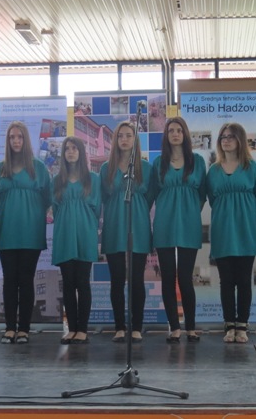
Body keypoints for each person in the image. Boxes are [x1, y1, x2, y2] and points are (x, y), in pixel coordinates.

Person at [0, 121, 51, 345]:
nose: (16, 141)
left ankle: (24, 329)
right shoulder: (0, 169)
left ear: (26, 140)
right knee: (9, 281)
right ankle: (10, 328)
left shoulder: (39, 168)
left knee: (26, 280)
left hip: (31, 232)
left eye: (20, 137)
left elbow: (47, 197)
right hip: (7, 231)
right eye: (12, 137)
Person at [150, 117, 206, 343]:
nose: (175, 134)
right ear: (166, 135)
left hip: (189, 224)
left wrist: (189, 211)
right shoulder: (158, 163)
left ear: (185, 134)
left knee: (185, 277)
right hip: (164, 223)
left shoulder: (197, 161)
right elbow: (153, 193)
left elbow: (202, 194)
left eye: (179, 130)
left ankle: (190, 327)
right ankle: (174, 327)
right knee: (167, 278)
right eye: (171, 130)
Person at [206, 123, 256, 344]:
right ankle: (229, 325)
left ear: (240, 140)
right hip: (222, 229)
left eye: (231, 136)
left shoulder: (252, 167)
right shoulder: (213, 170)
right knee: (226, 281)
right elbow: (212, 199)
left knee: (244, 280)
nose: (226, 140)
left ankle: (242, 325)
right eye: (223, 137)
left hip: (246, 229)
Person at [100, 121, 154, 343]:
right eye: (120, 135)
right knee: (116, 280)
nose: (124, 139)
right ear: (115, 140)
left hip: (138, 224)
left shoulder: (146, 168)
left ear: (135, 139)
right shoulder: (106, 168)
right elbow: (104, 197)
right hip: (114, 224)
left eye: (128, 135)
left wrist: (137, 210)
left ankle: (137, 327)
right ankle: (119, 327)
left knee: (136, 280)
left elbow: (150, 197)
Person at [52, 137, 101, 345]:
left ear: (81, 152)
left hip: (85, 233)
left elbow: (97, 208)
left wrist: (85, 225)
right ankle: (71, 328)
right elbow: (55, 209)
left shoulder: (93, 179)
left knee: (82, 282)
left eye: (74, 148)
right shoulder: (57, 180)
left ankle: (82, 330)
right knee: (68, 283)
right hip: (64, 234)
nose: (70, 152)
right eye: (67, 149)